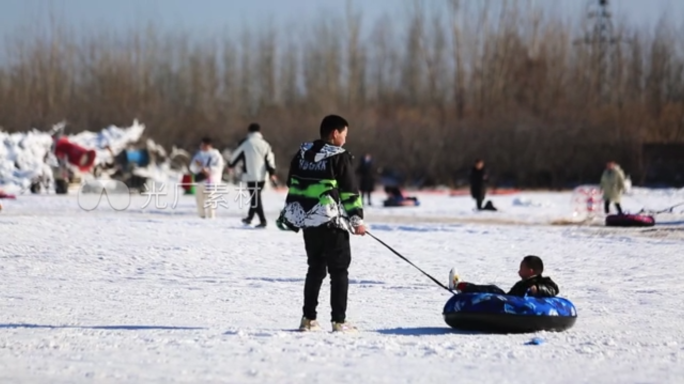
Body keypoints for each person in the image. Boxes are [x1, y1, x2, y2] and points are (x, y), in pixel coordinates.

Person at [275, 114, 366, 333]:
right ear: (335, 134)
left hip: (308, 222)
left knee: (315, 269)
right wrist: (357, 221)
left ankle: (308, 319)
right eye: (344, 135)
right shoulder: (339, 156)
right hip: (331, 222)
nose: (345, 140)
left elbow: (291, 182)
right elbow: (349, 191)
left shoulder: (302, 153)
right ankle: (339, 321)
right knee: (339, 271)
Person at [228, 123, 277, 228]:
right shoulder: (265, 144)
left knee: (255, 198)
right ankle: (249, 218)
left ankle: (263, 220)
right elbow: (269, 160)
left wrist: (231, 165)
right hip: (262, 176)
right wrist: (272, 173)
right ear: (260, 132)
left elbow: (236, 156)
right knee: (256, 197)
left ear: (249, 131)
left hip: (250, 175)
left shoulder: (246, 144)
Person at [452, 255, 559, 298]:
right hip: (510, 300)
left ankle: (460, 286)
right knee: (493, 290)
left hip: (518, 305)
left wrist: (538, 289)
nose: (518, 271)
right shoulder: (521, 283)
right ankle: (463, 288)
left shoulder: (543, 281)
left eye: (521, 268)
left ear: (530, 271)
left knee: (493, 290)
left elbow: (554, 289)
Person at [189, 137, 225, 219]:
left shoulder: (216, 155)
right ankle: (201, 216)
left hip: (212, 181)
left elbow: (218, 167)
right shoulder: (199, 155)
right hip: (200, 180)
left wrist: (208, 170)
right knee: (199, 199)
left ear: (210, 145)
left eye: (205, 145)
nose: (203, 147)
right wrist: (199, 168)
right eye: (202, 145)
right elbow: (192, 167)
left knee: (211, 200)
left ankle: (211, 217)